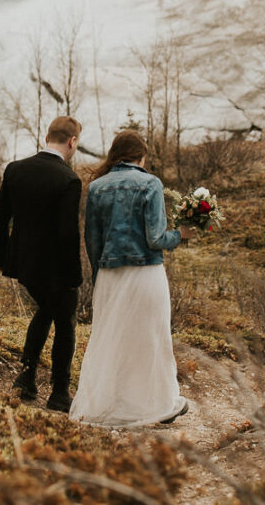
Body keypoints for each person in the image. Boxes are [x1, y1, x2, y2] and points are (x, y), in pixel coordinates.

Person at [70, 129, 194, 427]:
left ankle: (108, 405)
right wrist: (181, 235)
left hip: (110, 274)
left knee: (111, 340)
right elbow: (155, 238)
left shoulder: (98, 188)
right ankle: (158, 404)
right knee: (150, 340)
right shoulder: (150, 183)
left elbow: (92, 240)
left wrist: (101, 277)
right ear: (142, 156)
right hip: (146, 275)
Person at [0, 116, 84, 412]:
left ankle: (27, 377)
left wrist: (5, 258)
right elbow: (68, 233)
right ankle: (59, 391)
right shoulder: (68, 179)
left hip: (24, 266)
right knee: (65, 320)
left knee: (46, 309)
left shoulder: (15, 170)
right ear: (72, 142)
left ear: (47, 137)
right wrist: (74, 276)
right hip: (55, 269)